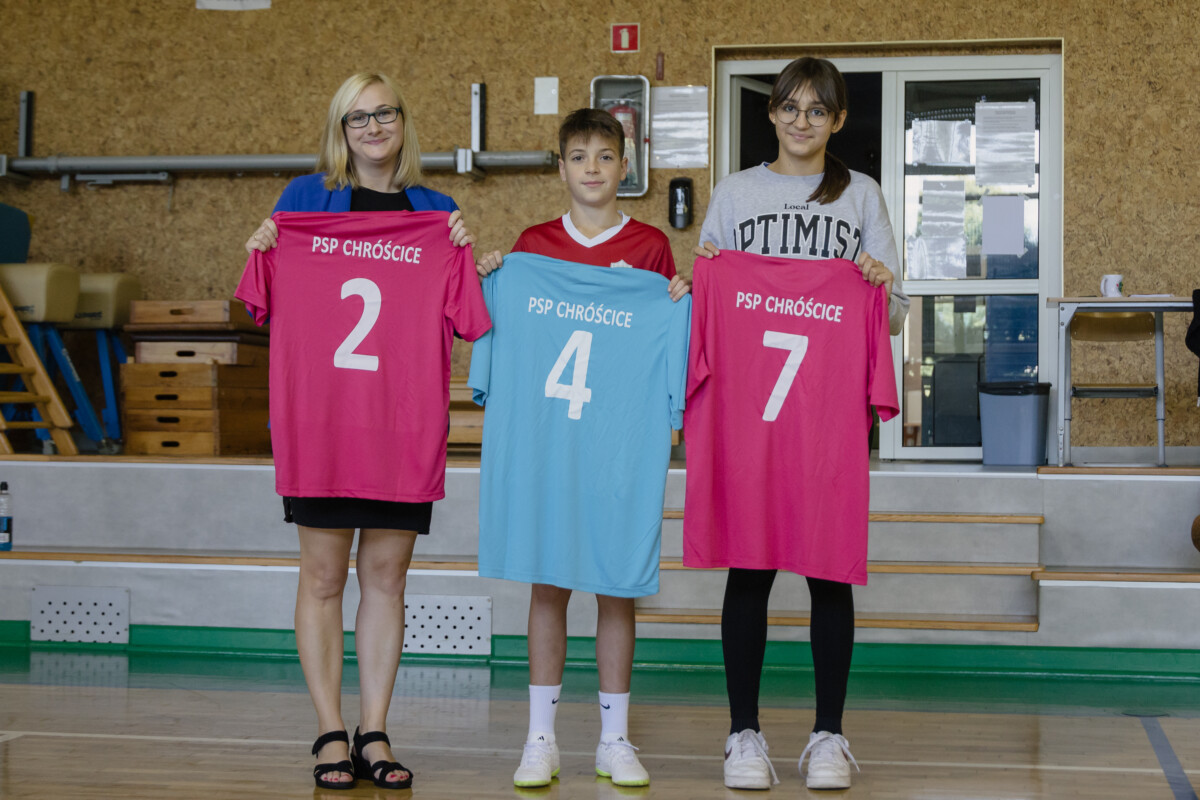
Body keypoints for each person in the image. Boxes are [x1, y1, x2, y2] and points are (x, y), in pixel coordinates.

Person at [240, 72, 480, 791]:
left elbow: (470, 318)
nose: (373, 127)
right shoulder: (302, 201)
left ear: (404, 122)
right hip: (323, 424)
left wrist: (472, 251)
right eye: (357, 117)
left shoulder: (437, 214)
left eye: (384, 113)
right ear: (340, 130)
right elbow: (257, 300)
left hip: (400, 428)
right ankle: (329, 732)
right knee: (321, 578)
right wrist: (264, 245)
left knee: (386, 580)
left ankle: (374, 731)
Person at [693, 56, 910, 791]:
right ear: (771, 112)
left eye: (818, 110)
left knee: (828, 571)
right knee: (749, 567)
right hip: (752, 414)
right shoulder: (735, 193)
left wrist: (882, 284)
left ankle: (828, 736)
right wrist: (706, 268)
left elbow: (891, 316)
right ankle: (742, 733)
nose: (801, 121)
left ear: (838, 120)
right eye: (790, 107)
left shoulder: (862, 196)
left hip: (825, 418)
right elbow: (707, 298)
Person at [475, 108, 689, 789]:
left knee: (617, 589)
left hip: (619, 446)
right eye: (578, 156)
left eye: (604, 156)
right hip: (549, 444)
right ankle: (539, 737)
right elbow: (498, 328)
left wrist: (679, 297)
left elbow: (668, 330)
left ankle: (614, 738)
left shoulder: (651, 247)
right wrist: (494, 276)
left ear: (626, 166)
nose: (592, 168)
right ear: (561, 167)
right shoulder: (532, 248)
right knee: (548, 586)